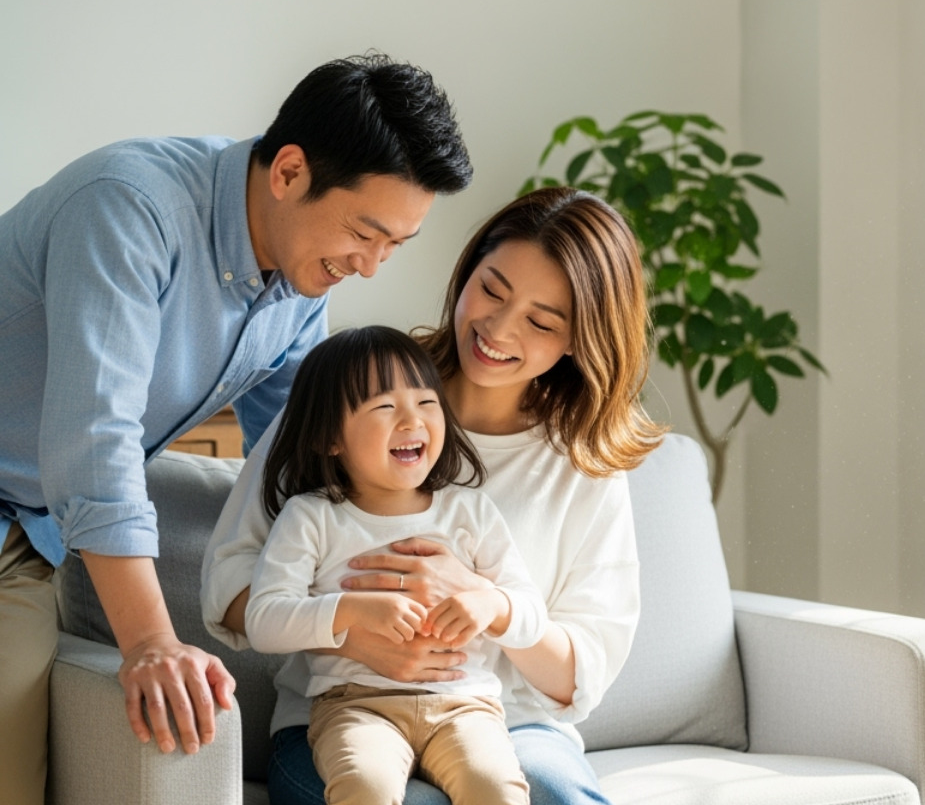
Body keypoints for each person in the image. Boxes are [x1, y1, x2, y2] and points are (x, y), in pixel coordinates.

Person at [0, 53, 473, 805]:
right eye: (365, 232)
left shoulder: (300, 288)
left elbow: (312, 462)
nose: (372, 267)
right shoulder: (128, 210)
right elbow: (92, 444)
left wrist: (382, 598)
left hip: (22, 536)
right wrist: (152, 643)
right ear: (288, 171)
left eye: (396, 246)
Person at [204, 186, 665, 805]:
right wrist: (345, 631)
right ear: (467, 269)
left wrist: (484, 600)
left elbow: (580, 673)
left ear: (580, 338)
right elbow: (229, 582)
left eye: (540, 321)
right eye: (492, 289)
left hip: (508, 721)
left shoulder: (581, 465)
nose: (498, 328)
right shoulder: (354, 391)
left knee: (551, 794)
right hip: (342, 712)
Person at [247, 326, 543, 805]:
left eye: (427, 403)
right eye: (385, 407)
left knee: (497, 789)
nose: (412, 421)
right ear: (329, 437)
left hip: (466, 707)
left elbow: (531, 614)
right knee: (364, 787)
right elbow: (264, 622)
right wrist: (352, 612)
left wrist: (490, 604)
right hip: (356, 707)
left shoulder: (470, 512)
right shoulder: (312, 516)